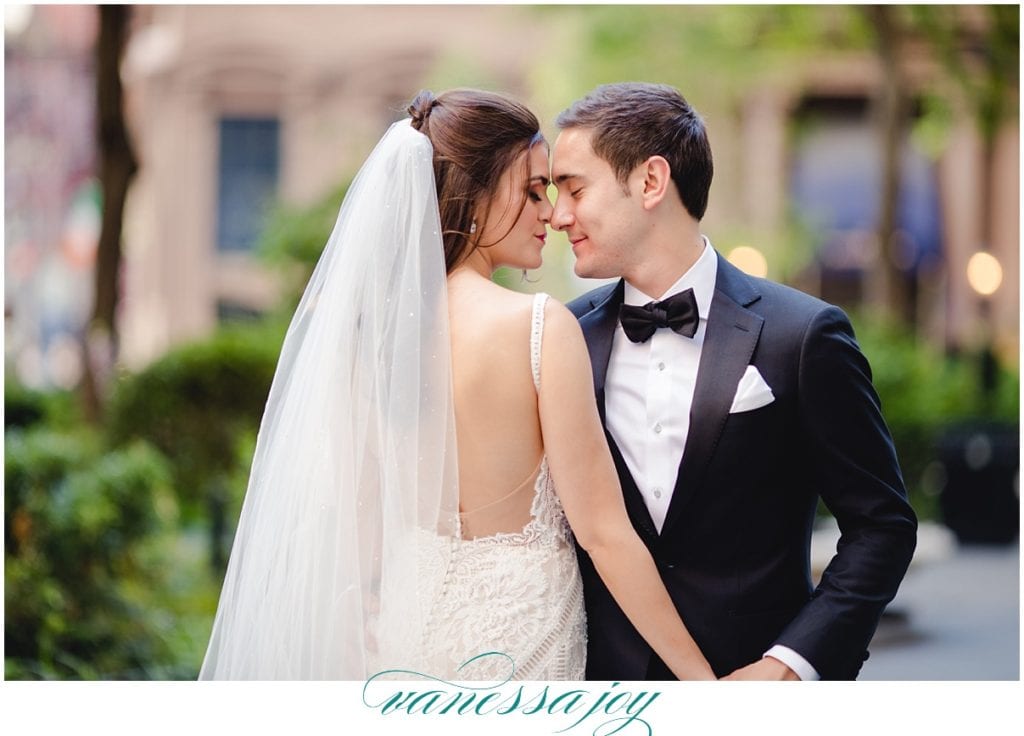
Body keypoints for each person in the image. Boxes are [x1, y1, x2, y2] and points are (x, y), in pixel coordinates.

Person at [200, 88, 715, 680]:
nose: (550, 213)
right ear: (472, 193)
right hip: (520, 647)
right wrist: (703, 684)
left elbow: (354, 539)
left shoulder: (372, 342)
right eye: (530, 191)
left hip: (403, 638)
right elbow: (603, 532)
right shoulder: (540, 327)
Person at [552, 82, 918, 681]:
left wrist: (790, 666)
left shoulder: (802, 335)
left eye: (574, 187)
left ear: (650, 182)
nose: (559, 214)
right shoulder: (563, 337)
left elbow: (882, 525)